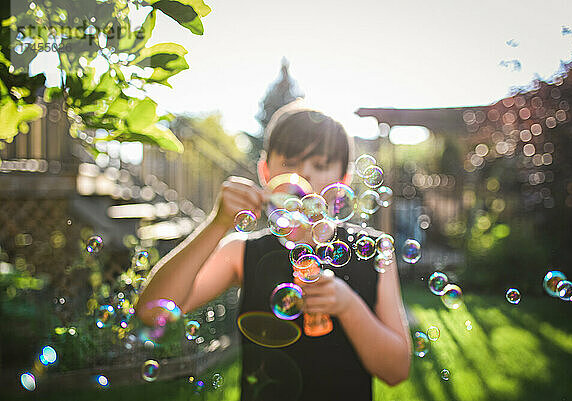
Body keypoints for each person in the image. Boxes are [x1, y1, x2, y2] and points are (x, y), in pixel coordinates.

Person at [137, 100, 412, 401]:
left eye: (320, 166)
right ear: (265, 173)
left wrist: (348, 305)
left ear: (343, 179)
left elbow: (396, 371)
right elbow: (154, 309)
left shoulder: (373, 249)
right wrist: (217, 225)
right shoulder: (243, 252)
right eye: (290, 164)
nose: (304, 177)